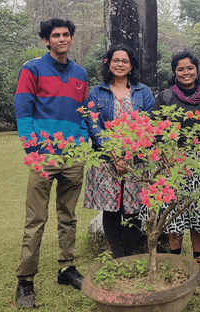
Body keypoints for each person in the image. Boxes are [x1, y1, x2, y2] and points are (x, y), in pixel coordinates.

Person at [13, 18, 88, 309]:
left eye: (66, 35)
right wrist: (32, 149)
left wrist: (81, 142)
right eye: (55, 35)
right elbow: (23, 110)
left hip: (72, 156)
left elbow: (83, 113)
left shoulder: (80, 73)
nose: (61, 39)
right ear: (46, 40)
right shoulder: (32, 68)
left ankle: (66, 268)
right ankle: (25, 280)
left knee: (68, 216)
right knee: (36, 219)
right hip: (43, 156)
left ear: (71, 38)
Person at [83, 44, 155, 259]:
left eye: (125, 61)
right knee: (111, 207)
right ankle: (118, 256)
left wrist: (129, 155)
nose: (120, 64)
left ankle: (130, 254)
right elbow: (93, 124)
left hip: (136, 160)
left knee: (133, 207)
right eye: (116, 60)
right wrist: (114, 154)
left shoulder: (143, 92)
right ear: (108, 63)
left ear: (131, 65)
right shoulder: (97, 92)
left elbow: (149, 124)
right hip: (107, 159)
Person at [151, 50, 200, 283]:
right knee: (175, 215)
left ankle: (197, 265)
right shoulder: (165, 97)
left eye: (190, 68)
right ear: (174, 72)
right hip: (172, 165)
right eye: (181, 69)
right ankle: (178, 263)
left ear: (196, 69)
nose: (186, 72)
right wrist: (168, 155)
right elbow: (155, 130)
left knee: (198, 213)